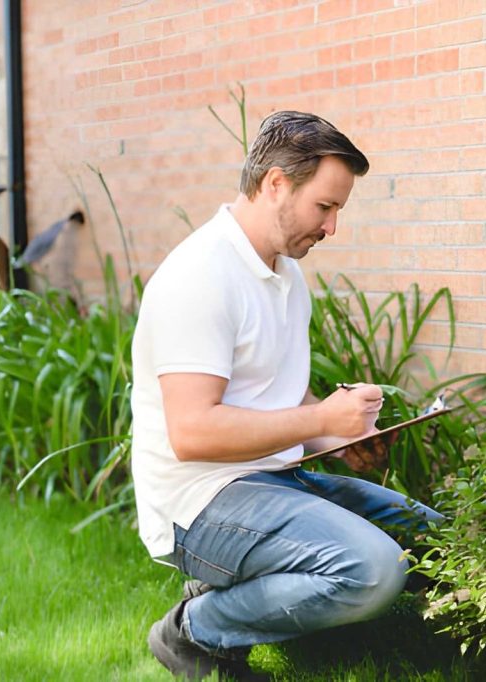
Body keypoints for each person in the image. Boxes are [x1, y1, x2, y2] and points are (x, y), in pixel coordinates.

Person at [130, 111, 441, 679]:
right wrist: (320, 416)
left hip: (274, 481)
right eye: (325, 207)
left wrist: (343, 436)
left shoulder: (283, 273)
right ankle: (197, 630)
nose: (331, 228)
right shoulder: (199, 277)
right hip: (198, 502)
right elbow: (192, 432)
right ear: (276, 183)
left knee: (432, 538)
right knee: (374, 569)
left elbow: (282, 401)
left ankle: (248, 584)